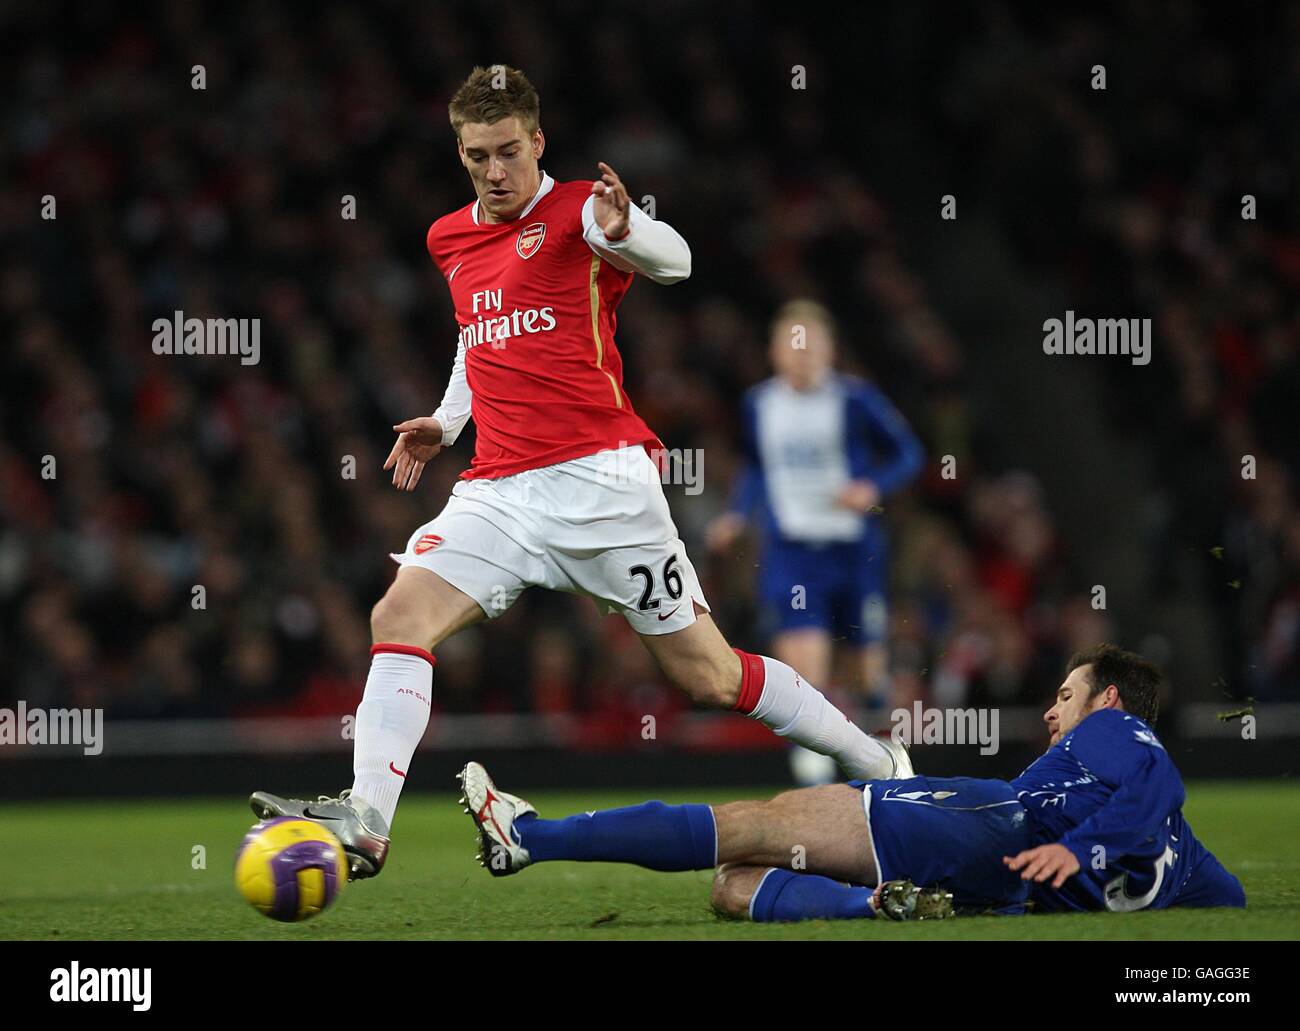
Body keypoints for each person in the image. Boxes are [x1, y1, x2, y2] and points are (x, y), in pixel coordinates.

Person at [249, 65, 908, 879]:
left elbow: (680, 262)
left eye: (509, 152)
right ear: (460, 152)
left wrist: (631, 227)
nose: (495, 172)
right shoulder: (447, 237)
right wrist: (448, 421)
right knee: (400, 613)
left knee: (708, 672)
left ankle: (882, 768)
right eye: (478, 156)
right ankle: (368, 818)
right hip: (498, 489)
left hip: (603, 487)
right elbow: (475, 333)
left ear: (538, 143)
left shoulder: (581, 214)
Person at [458, 645, 1246, 921]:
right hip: (995, 883)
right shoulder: (1190, 859)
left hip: (980, 823)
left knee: (751, 825)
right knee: (733, 887)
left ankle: (526, 837)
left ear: (1107, 700)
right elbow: (1232, 902)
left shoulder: (1119, 731)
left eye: (1066, 696)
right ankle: (870, 904)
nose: (1050, 712)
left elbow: (1154, 772)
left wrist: (1082, 848)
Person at [708, 299, 924, 783]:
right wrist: (737, 515)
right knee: (806, 661)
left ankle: (875, 749)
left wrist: (872, 487)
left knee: (867, 670)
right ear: (774, 351)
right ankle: (814, 766)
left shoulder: (855, 399)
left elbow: (908, 453)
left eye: (811, 344)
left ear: (829, 350)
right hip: (792, 551)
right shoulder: (759, 404)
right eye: (791, 343)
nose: (801, 354)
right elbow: (758, 468)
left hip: (853, 549)